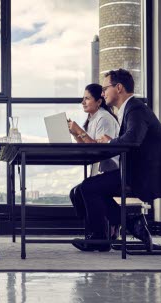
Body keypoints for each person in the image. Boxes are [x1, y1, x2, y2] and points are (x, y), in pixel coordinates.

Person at [71, 69, 161, 252]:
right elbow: (132, 139)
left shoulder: (135, 108)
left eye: (106, 88)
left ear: (119, 88)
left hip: (146, 175)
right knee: (88, 188)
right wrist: (110, 142)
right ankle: (129, 222)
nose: (103, 92)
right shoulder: (130, 109)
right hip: (138, 170)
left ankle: (101, 238)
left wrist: (110, 141)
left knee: (88, 188)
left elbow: (133, 139)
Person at [67, 83, 121, 240]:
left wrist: (79, 131)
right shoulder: (92, 119)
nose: (83, 102)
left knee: (86, 189)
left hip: (116, 171)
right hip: (106, 172)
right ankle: (108, 225)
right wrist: (76, 134)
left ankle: (100, 234)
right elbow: (86, 148)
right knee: (75, 193)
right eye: (83, 98)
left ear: (99, 101)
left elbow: (100, 150)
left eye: (87, 98)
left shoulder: (104, 118)